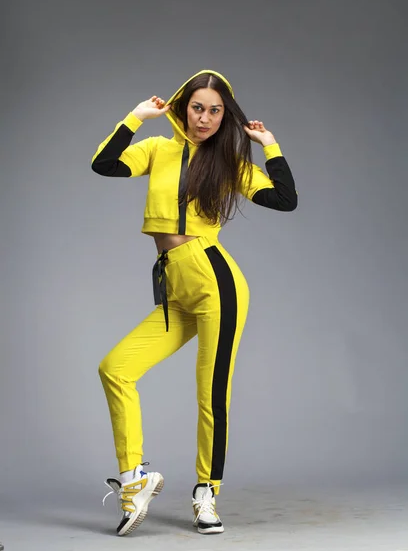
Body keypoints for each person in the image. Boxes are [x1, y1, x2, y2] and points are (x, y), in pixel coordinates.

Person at [91, 70, 297, 536]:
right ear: (183, 107)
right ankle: (135, 479)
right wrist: (136, 118)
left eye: (215, 110)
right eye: (197, 107)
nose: (204, 118)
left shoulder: (228, 165)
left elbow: (286, 199)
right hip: (174, 285)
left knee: (211, 393)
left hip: (214, 280)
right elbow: (103, 164)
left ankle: (207, 493)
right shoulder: (158, 150)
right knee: (115, 368)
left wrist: (270, 145)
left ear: (225, 115)